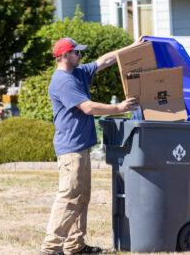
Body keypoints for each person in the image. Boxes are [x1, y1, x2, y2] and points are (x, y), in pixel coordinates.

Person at [39, 37, 142, 255]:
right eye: (76, 52)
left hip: (81, 146)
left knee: (82, 197)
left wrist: (132, 48)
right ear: (65, 55)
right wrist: (119, 107)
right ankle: (50, 247)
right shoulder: (62, 81)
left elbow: (104, 61)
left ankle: (75, 245)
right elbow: (88, 107)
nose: (80, 56)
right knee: (69, 196)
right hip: (71, 149)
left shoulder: (77, 72)